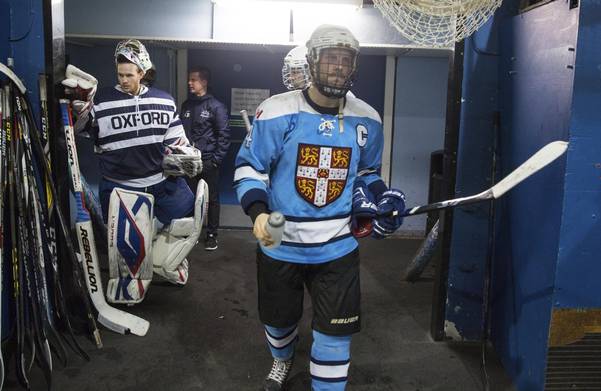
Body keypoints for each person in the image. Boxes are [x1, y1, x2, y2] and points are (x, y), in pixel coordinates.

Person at [234, 25, 406, 391]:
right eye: (331, 59)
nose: (338, 68)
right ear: (313, 61)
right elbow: (250, 167)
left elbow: (365, 173)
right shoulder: (277, 110)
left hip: (337, 244)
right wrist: (258, 212)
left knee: (335, 333)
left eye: (345, 61)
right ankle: (282, 359)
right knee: (278, 322)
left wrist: (383, 197)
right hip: (280, 236)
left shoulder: (368, 118)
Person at [62, 39, 203, 293]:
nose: (124, 80)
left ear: (142, 72)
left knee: (190, 216)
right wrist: (79, 112)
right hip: (120, 188)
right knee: (128, 253)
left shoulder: (165, 101)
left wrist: (186, 154)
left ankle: (168, 260)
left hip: (160, 182)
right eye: (120, 74)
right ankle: (131, 278)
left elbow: (177, 141)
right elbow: (78, 130)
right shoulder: (101, 101)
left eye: (130, 74)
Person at [180, 66, 231, 251]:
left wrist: (216, 160)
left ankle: (211, 234)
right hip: (187, 162)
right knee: (187, 197)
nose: (189, 83)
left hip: (208, 162)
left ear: (204, 82)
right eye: (189, 79)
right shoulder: (187, 105)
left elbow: (224, 136)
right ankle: (190, 232)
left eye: (193, 80)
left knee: (212, 199)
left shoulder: (216, 106)